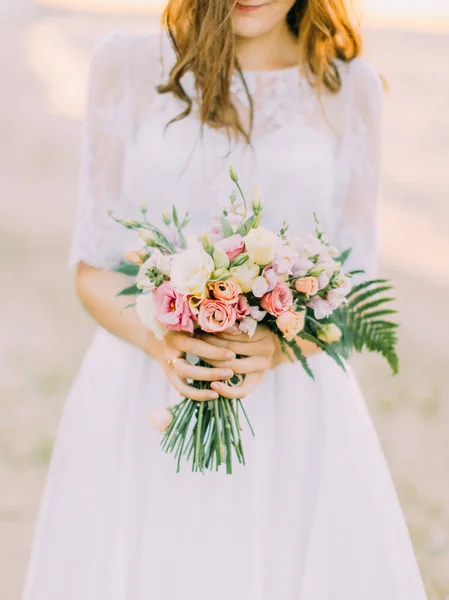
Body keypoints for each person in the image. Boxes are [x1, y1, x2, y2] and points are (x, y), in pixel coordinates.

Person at [23, 1, 428, 598]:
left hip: (291, 402)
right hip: (141, 392)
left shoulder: (349, 85)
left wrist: (274, 347)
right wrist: (165, 342)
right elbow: (92, 266)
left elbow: (353, 280)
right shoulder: (126, 64)